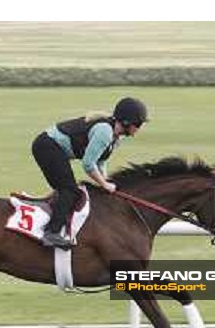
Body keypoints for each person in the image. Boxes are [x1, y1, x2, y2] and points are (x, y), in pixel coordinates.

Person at [31, 96, 149, 249]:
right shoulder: (104, 132)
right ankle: (51, 233)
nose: (139, 129)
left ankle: (58, 224)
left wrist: (105, 180)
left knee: (68, 190)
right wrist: (104, 184)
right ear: (127, 122)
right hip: (47, 146)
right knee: (69, 191)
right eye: (138, 124)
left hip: (53, 148)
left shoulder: (115, 138)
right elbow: (88, 164)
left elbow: (100, 161)